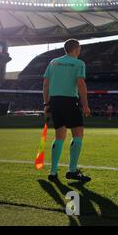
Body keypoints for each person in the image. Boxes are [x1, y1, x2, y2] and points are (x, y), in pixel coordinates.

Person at [43, 39, 91, 183]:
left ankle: (53, 172)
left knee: (59, 136)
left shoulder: (53, 62)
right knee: (77, 134)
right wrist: (85, 105)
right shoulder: (79, 63)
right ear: (77, 49)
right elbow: (81, 84)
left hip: (55, 102)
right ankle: (72, 171)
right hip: (70, 101)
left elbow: (46, 85)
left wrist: (46, 104)